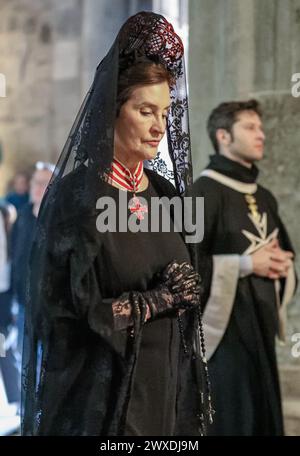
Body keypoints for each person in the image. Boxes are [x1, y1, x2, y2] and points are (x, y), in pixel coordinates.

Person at [22, 12, 213, 436]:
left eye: (165, 112)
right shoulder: (78, 200)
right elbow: (64, 314)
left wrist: (188, 285)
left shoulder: (166, 194)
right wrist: (156, 301)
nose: (159, 127)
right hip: (103, 406)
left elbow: (192, 287)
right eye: (145, 111)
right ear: (113, 110)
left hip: (165, 398)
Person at [192, 99, 297, 436]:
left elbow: (285, 252)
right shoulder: (202, 193)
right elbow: (184, 266)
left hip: (261, 334)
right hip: (224, 341)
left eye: (261, 127)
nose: (261, 135)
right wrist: (247, 263)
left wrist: (282, 265)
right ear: (223, 136)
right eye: (250, 128)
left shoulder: (264, 196)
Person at [11, 162, 54, 357]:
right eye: (35, 182)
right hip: (22, 302)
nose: (37, 187)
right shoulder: (22, 216)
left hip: (48, 307)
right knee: (22, 358)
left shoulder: (57, 218)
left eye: (43, 182)